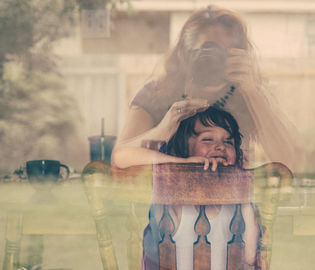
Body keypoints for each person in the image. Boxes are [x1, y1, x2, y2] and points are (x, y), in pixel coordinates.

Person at [112, 5, 301, 171]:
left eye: (221, 53)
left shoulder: (247, 96)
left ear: (238, 56)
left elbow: (287, 162)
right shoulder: (158, 94)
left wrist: (251, 90)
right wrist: (163, 129)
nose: (211, 59)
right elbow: (119, 159)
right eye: (204, 50)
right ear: (184, 54)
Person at [138, 106, 259, 270]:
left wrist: (242, 185)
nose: (220, 146)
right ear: (184, 149)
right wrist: (182, 163)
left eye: (228, 142)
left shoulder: (238, 205)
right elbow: (126, 156)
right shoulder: (173, 198)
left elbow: (251, 258)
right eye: (208, 139)